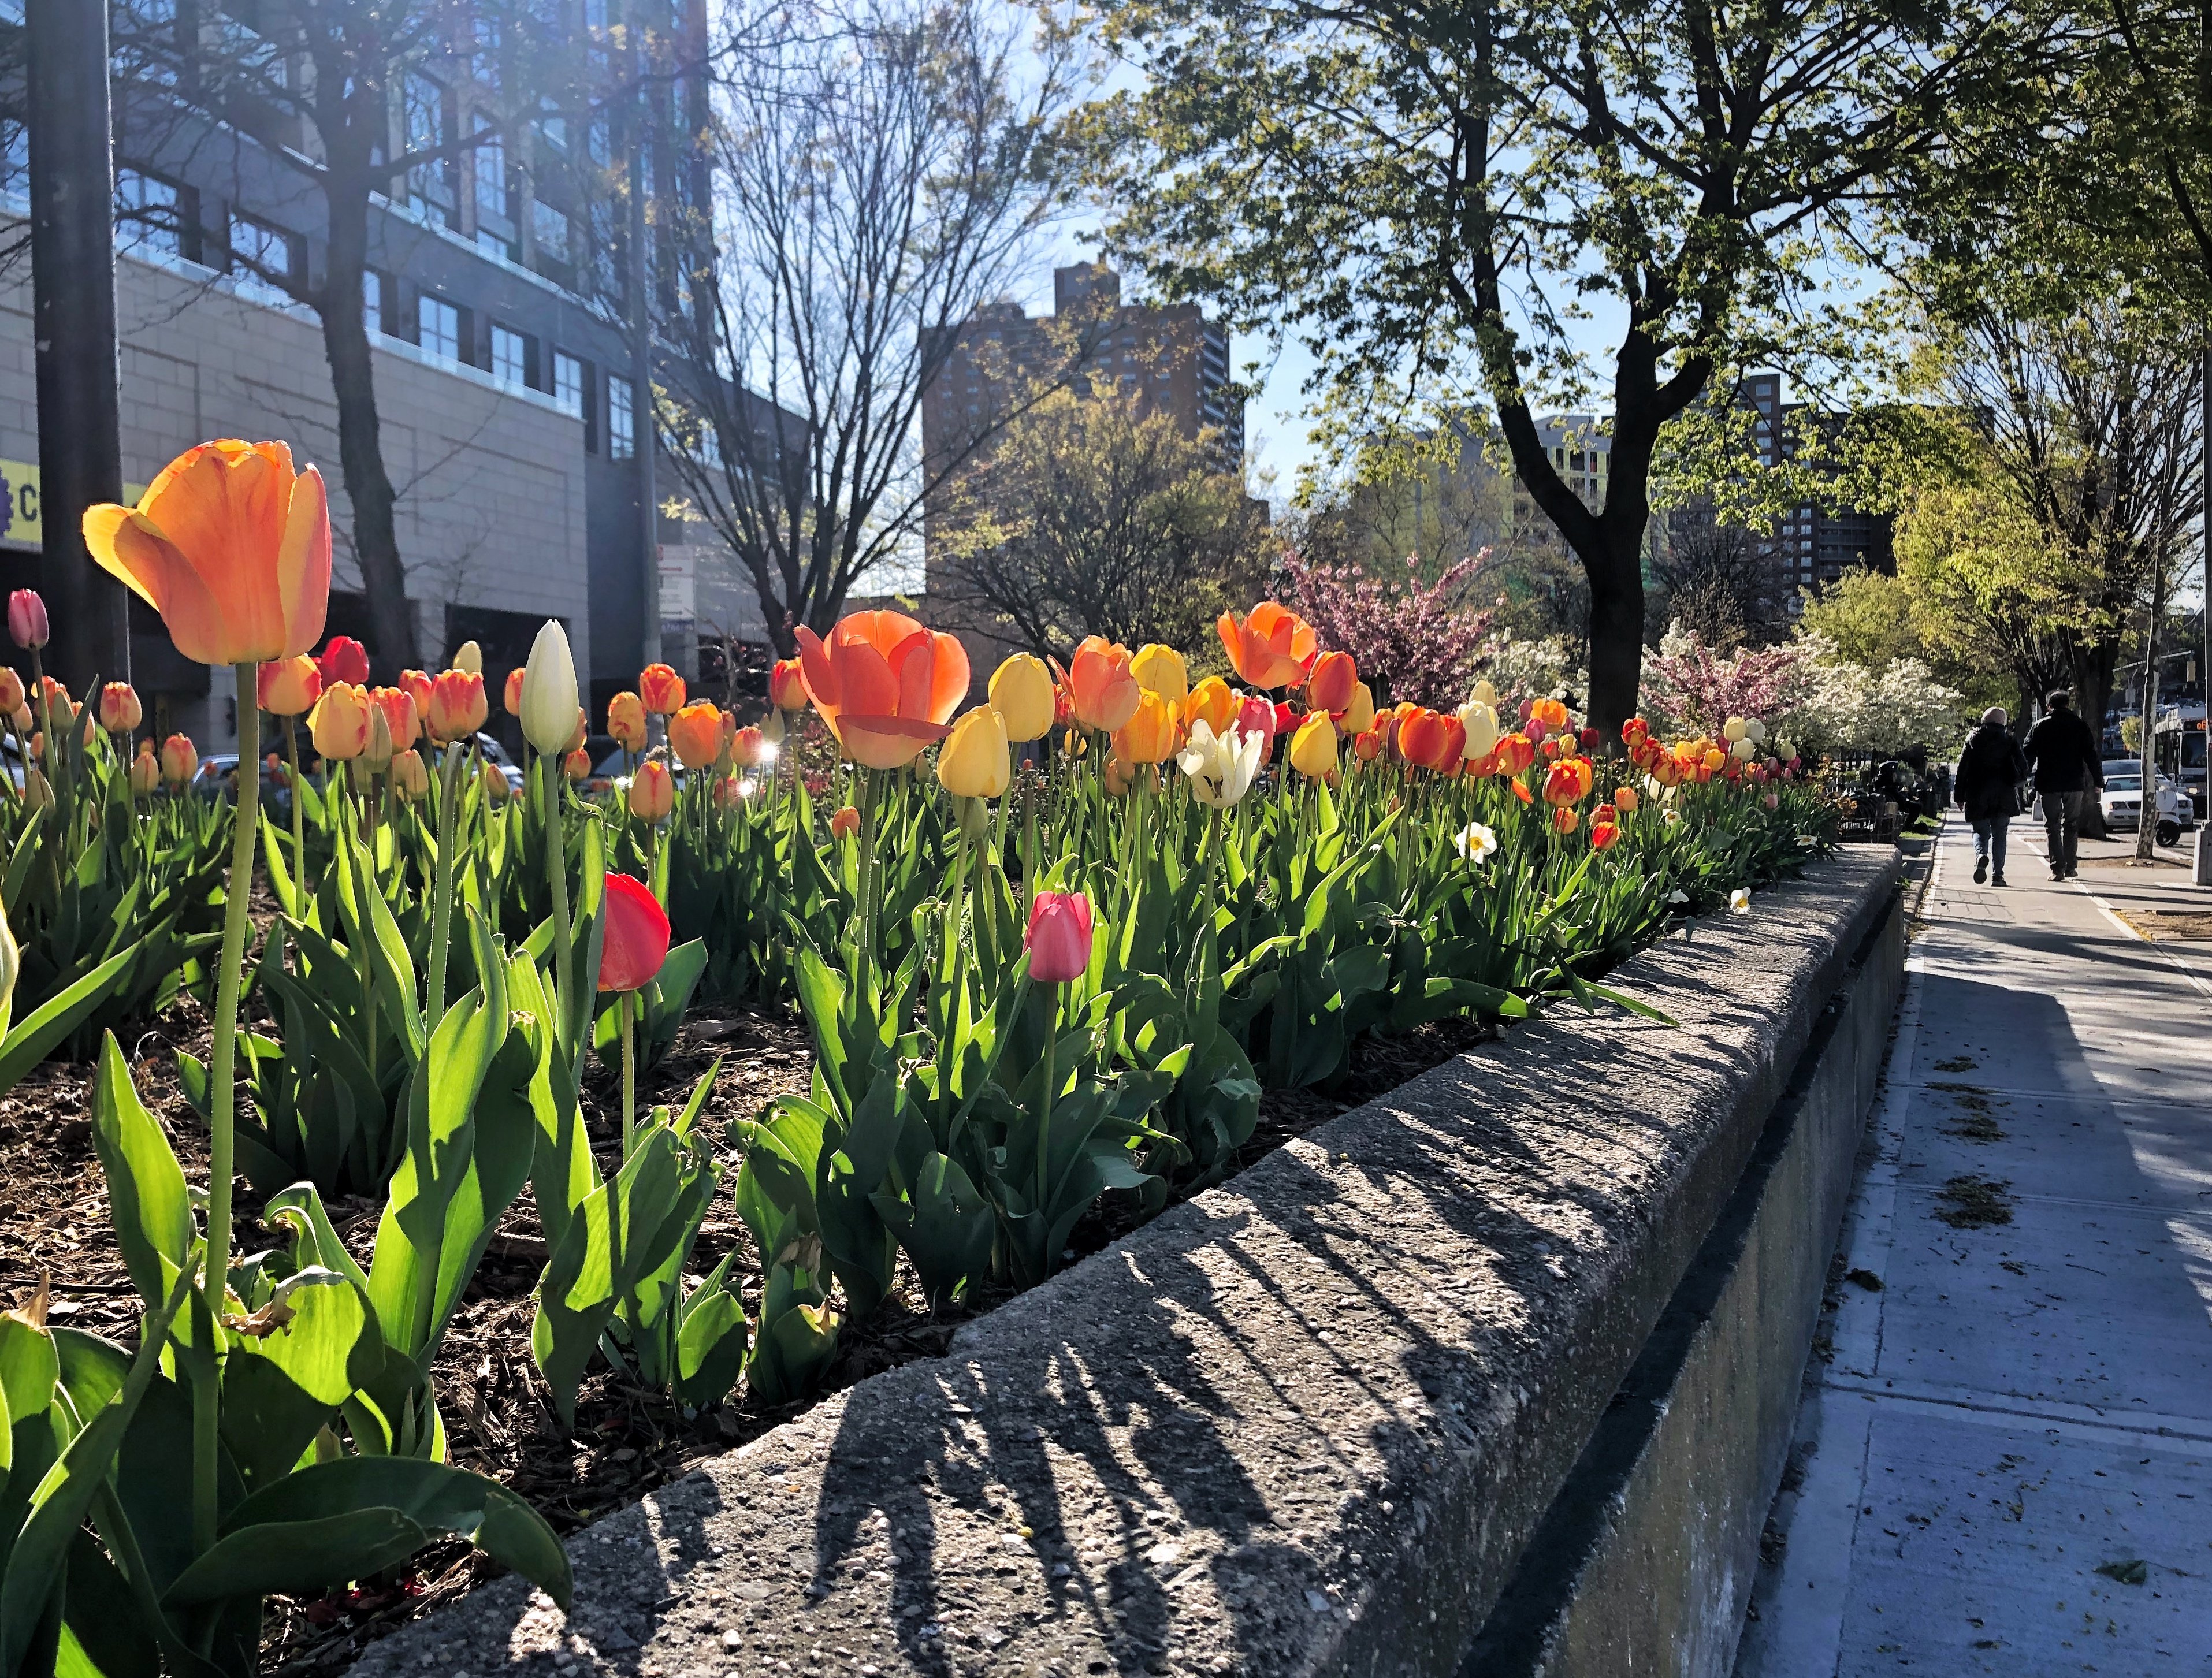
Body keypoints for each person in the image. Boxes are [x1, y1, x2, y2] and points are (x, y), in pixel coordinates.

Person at [2021, 690, 2104, 880]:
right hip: (2074, 783)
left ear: (2049, 706)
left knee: (2052, 826)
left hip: (2048, 783)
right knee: (2071, 824)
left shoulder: (2040, 726)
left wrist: (2022, 777)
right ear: (2068, 705)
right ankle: (2071, 866)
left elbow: (2027, 752)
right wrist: (2098, 781)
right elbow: (2091, 755)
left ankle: (2057, 868)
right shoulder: (2080, 726)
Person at [1953, 706, 2028, 885]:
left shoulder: (1973, 739)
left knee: (1980, 830)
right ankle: (1998, 875)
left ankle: (1981, 855)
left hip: (1977, 794)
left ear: (1984, 721)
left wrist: (1959, 796)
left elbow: (1962, 769)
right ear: (2003, 722)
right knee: (2000, 835)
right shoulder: (2010, 741)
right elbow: (2023, 768)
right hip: (2004, 796)